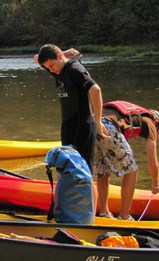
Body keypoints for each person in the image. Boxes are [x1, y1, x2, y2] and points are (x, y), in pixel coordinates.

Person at [34, 44, 107, 172]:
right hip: (68, 127)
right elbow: (36, 58)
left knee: (83, 170)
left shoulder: (74, 69)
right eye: (47, 67)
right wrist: (65, 52)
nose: (50, 70)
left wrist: (99, 121)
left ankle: (87, 191)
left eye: (51, 66)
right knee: (68, 168)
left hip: (83, 127)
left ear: (59, 57)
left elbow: (95, 90)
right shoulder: (57, 70)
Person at [94, 101, 159, 220]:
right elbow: (152, 160)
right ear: (157, 122)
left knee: (103, 170)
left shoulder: (131, 117)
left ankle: (104, 213)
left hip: (91, 124)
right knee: (132, 170)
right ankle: (124, 216)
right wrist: (156, 184)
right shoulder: (151, 124)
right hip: (109, 126)